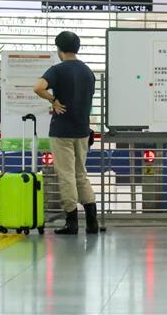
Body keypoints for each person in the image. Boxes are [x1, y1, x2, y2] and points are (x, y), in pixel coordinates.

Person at [33, 31, 98, 235]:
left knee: (66, 175)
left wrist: (53, 100)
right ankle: (92, 222)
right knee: (81, 174)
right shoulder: (88, 72)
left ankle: (71, 222)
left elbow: (38, 87)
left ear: (59, 50)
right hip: (82, 130)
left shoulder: (58, 70)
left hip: (62, 131)